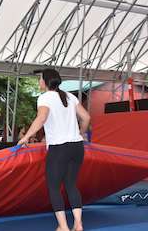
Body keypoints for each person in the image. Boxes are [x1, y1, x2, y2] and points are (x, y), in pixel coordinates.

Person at [18, 69, 90, 231]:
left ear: (45, 81)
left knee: (54, 187)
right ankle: (78, 223)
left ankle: (63, 226)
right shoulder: (70, 96)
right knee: (71, 185)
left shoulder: (45, 98)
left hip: (59, 148)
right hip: (76, 147)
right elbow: (86, 118)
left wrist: (26, 137)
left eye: (39, 79)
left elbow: (41, 118)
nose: (39, 82)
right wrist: (81, 133)